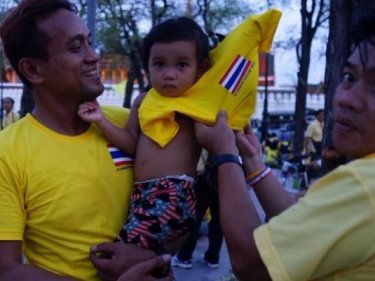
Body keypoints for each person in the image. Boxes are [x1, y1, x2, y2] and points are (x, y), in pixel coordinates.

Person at [194, 6, 375, 280]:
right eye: (349, 78)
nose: (346, 99)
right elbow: (298, 219)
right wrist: (254, 163)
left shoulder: (365, 185)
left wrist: (225, 155)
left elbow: (251, 262)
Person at [0, 1, 168, 280]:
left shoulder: (131, 123)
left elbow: (178, 196)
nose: (94, 56)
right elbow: (6, 269)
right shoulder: (7, 153)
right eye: (76, 47)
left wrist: (155, 258)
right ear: (33, 70)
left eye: (90, 42)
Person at [78, 17, 210, 253]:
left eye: (181, 65)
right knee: (143, 262)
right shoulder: (143, 101)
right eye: (159, 64)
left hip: (173, 193)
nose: (169, 74)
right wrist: (100, 120)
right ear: (147, 66)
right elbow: (131, 142)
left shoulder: (195, 105)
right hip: (142, 195)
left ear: (200, 69)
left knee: (118, 255)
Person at [171, 149, 223, 269]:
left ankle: (184, 257)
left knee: (194, 220)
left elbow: (202, 159)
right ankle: (213, 258)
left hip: (204, 181)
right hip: (223, 182)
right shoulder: (233, 134)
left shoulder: (210, 131)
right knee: (217, 222)